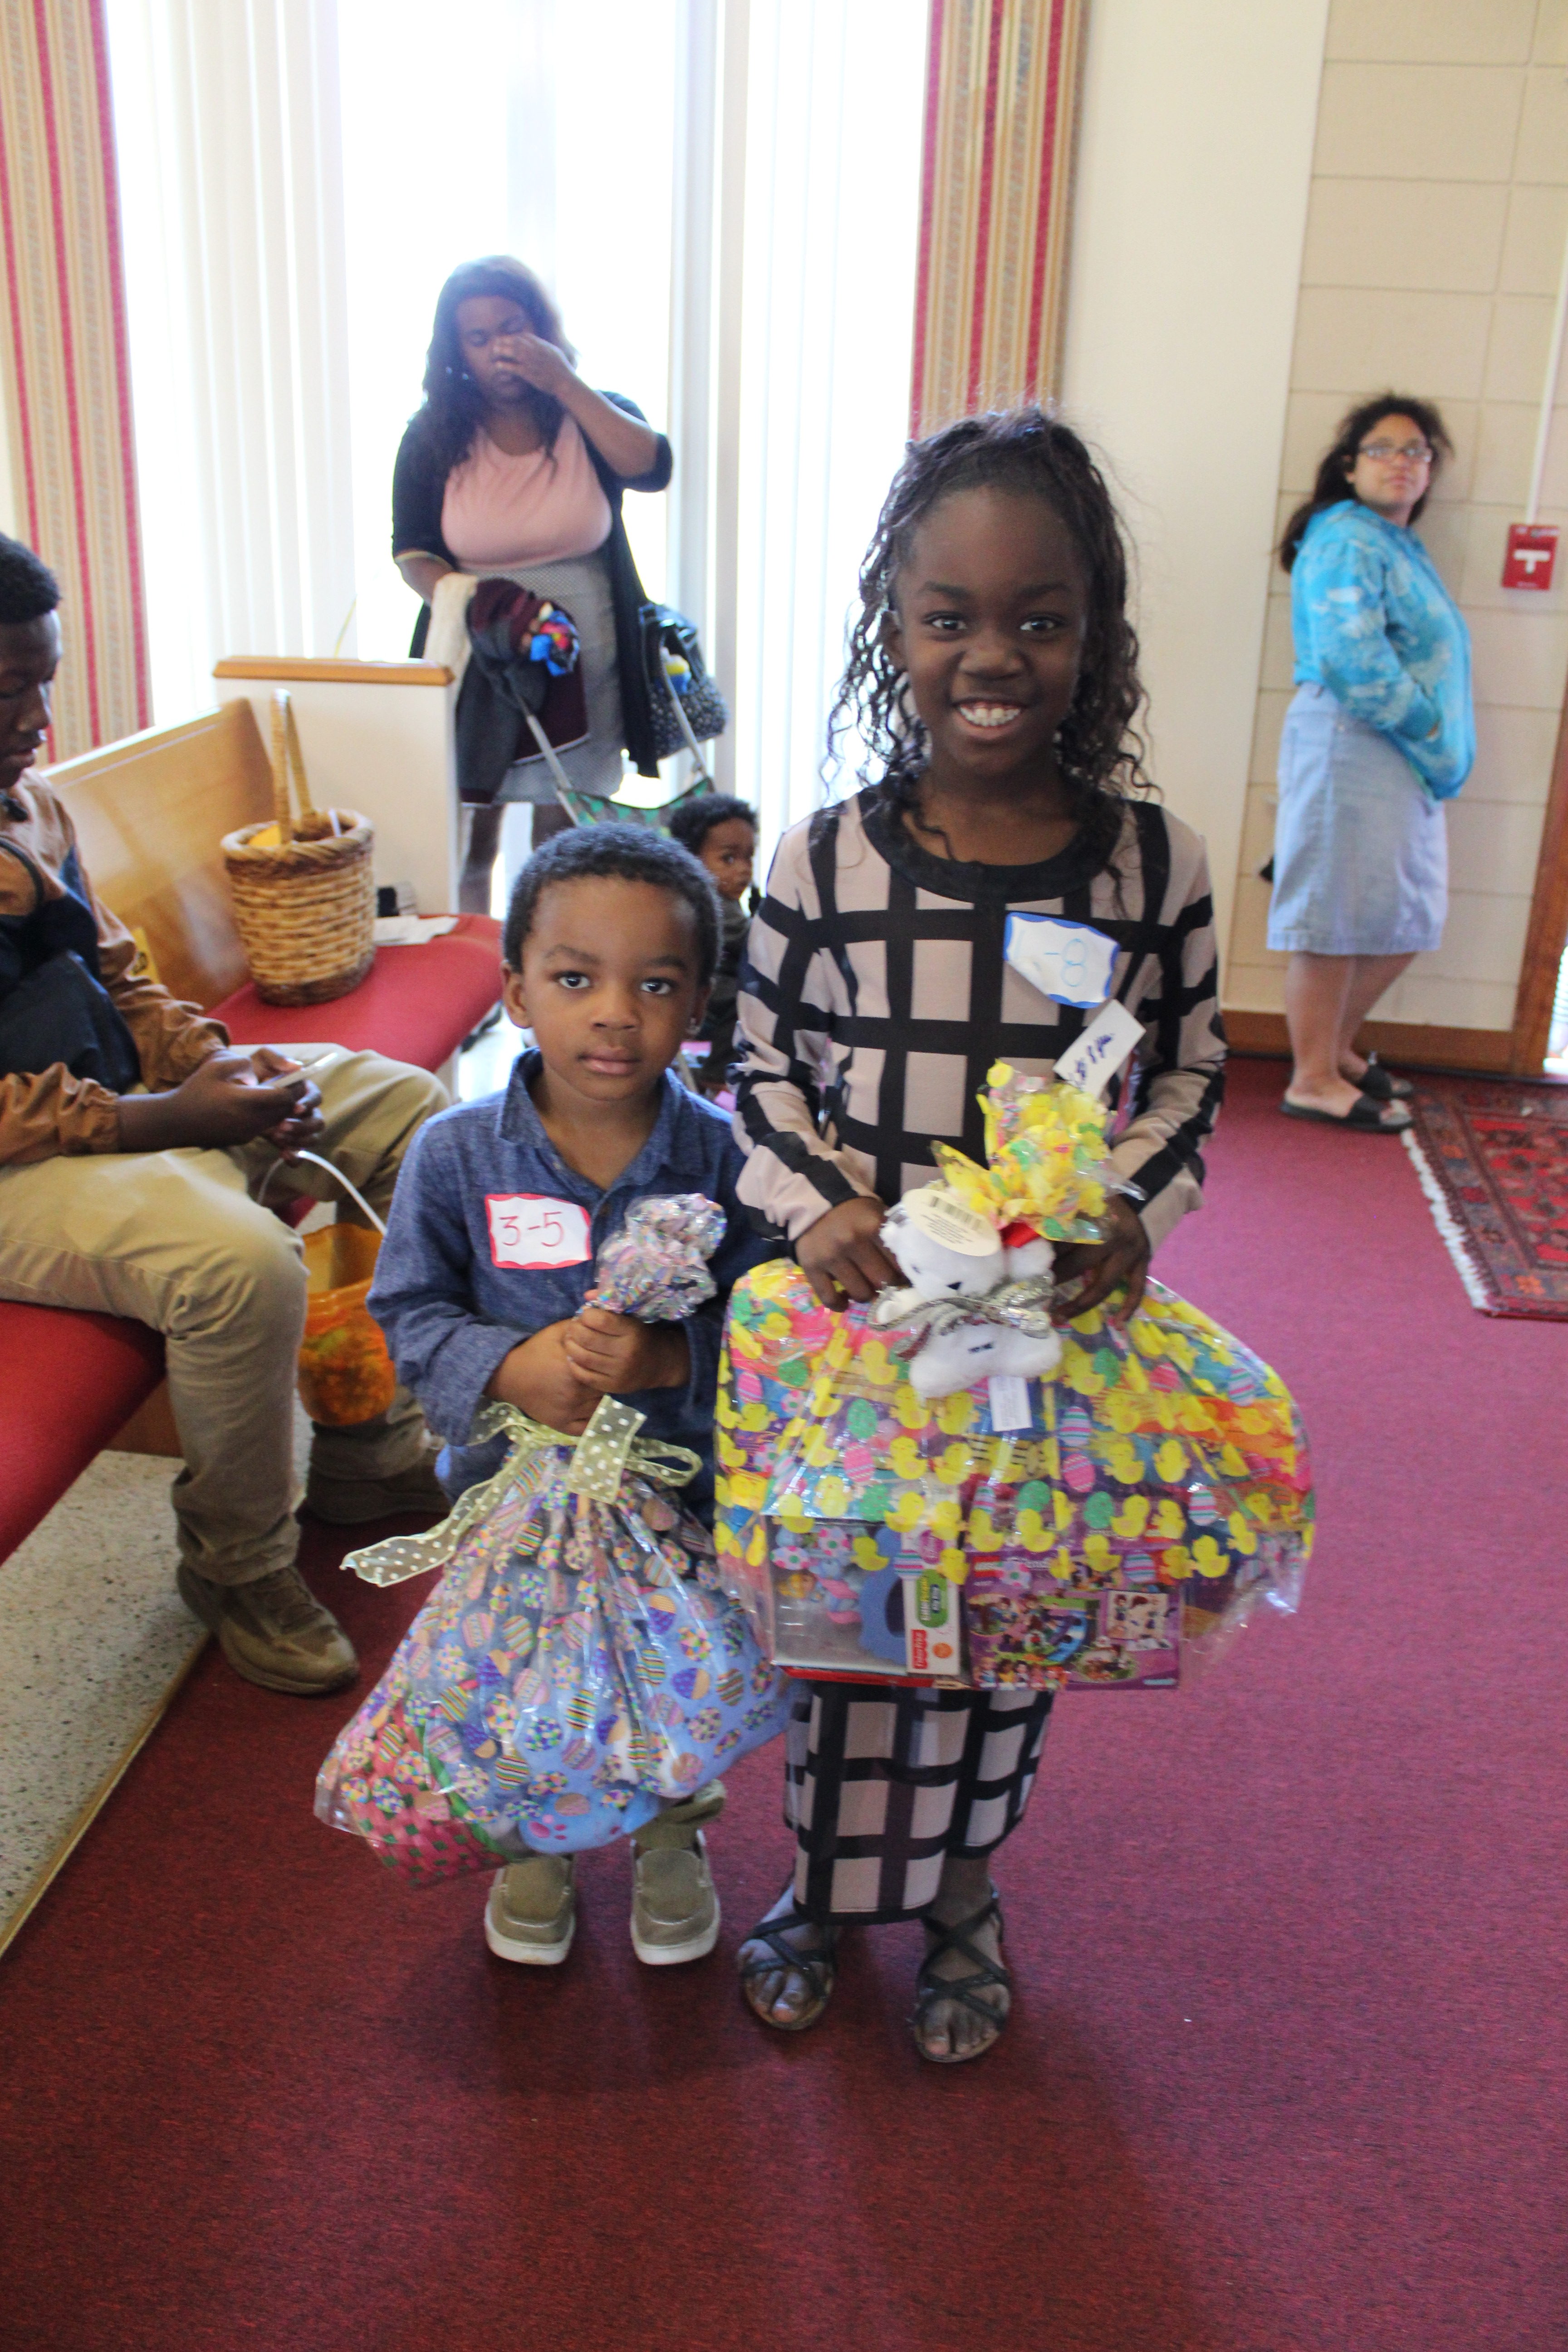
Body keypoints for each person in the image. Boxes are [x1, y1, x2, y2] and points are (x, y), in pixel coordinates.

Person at [729, 408, 1226, 2063]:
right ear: (895, 628)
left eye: (1039, 617)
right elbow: (755, 1071)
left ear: (1097, 632)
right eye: (949, 617)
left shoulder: (1155, 868)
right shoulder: (822, 860)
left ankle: (960, 1896)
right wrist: (821, 1206)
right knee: (854, 1629)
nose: (993, 656)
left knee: (1008, 1629)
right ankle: (819, 1886)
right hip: (871, 1337)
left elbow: (1193, 1076)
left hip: (1040, 1339)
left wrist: (1131, 1210)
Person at [0, 535, 449, 1695]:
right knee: (239, 1261)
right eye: (9, 690)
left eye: (45, 681)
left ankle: (367, 1446)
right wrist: (167, 1120)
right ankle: (235, 1564)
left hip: (130, 1102)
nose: (39, 718)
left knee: (412, 1117)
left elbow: (124, 979)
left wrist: (218, 1068)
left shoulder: (32, 807)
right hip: (26, 1163)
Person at [366, 823, 776, 1965]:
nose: (616, 1014)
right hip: (509, 1497)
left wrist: (673, 1357)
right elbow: (408, 1309)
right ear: (515, 993)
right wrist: (511, 1368)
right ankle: (531, 1845)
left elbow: (774, 1328)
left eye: (657, 985)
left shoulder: (730, 1158)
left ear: (699, 1003)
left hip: (679, 1498)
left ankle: (670, 1831)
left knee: (673, 1679)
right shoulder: (455, 1153)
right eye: (576, 979)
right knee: (515, 1681)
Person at [392, 257, 673, 913]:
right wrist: (487, 608)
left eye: (512, 328)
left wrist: (565, 384)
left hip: (589, 651)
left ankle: (553, 954)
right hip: (481, 650)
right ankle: (476, 960)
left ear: (541, 329)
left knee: (564, 831)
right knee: (473, 830)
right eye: (478, 337)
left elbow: (651, 467)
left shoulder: (595, 412)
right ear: (456, 350)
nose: (499, 349)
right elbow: (412, 553)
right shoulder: (431, 435)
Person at [1269, 393, 1473, 1132]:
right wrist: (1428, 724)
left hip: (1393, 751)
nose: (1401, 462)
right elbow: (1351, 657)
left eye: (1416, 451)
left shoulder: (1396, 543)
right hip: (1353, 739)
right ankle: (1312, 1077)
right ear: (1350, 466)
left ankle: (1335, 1049)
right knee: (1334, 916)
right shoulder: (1346, 537)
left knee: (1400, 914)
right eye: (1383, 448)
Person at [666, 794, 757, 1095]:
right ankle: (719, 1070)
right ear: (691, 861)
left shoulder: (721, 899)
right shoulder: (710, 901)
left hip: (708, 983)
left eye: (748, 857)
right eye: (728, 859)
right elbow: (750, 944)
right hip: (700, 991)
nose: (743, 870)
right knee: (752, 996)